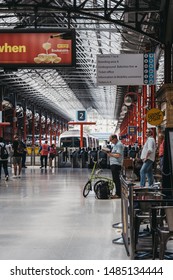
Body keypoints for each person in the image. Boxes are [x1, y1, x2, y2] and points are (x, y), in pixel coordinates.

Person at [107, 134, 124, 198]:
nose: (111, 141)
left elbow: (118, 155)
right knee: (115, 179)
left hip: (116, 164)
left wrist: (110, 154)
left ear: (115, 139)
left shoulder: (119, 145)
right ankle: (117, 193)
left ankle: (118, 194)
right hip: (114, 164)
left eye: (111, 140)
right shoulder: (115, 145)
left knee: (116, 180)